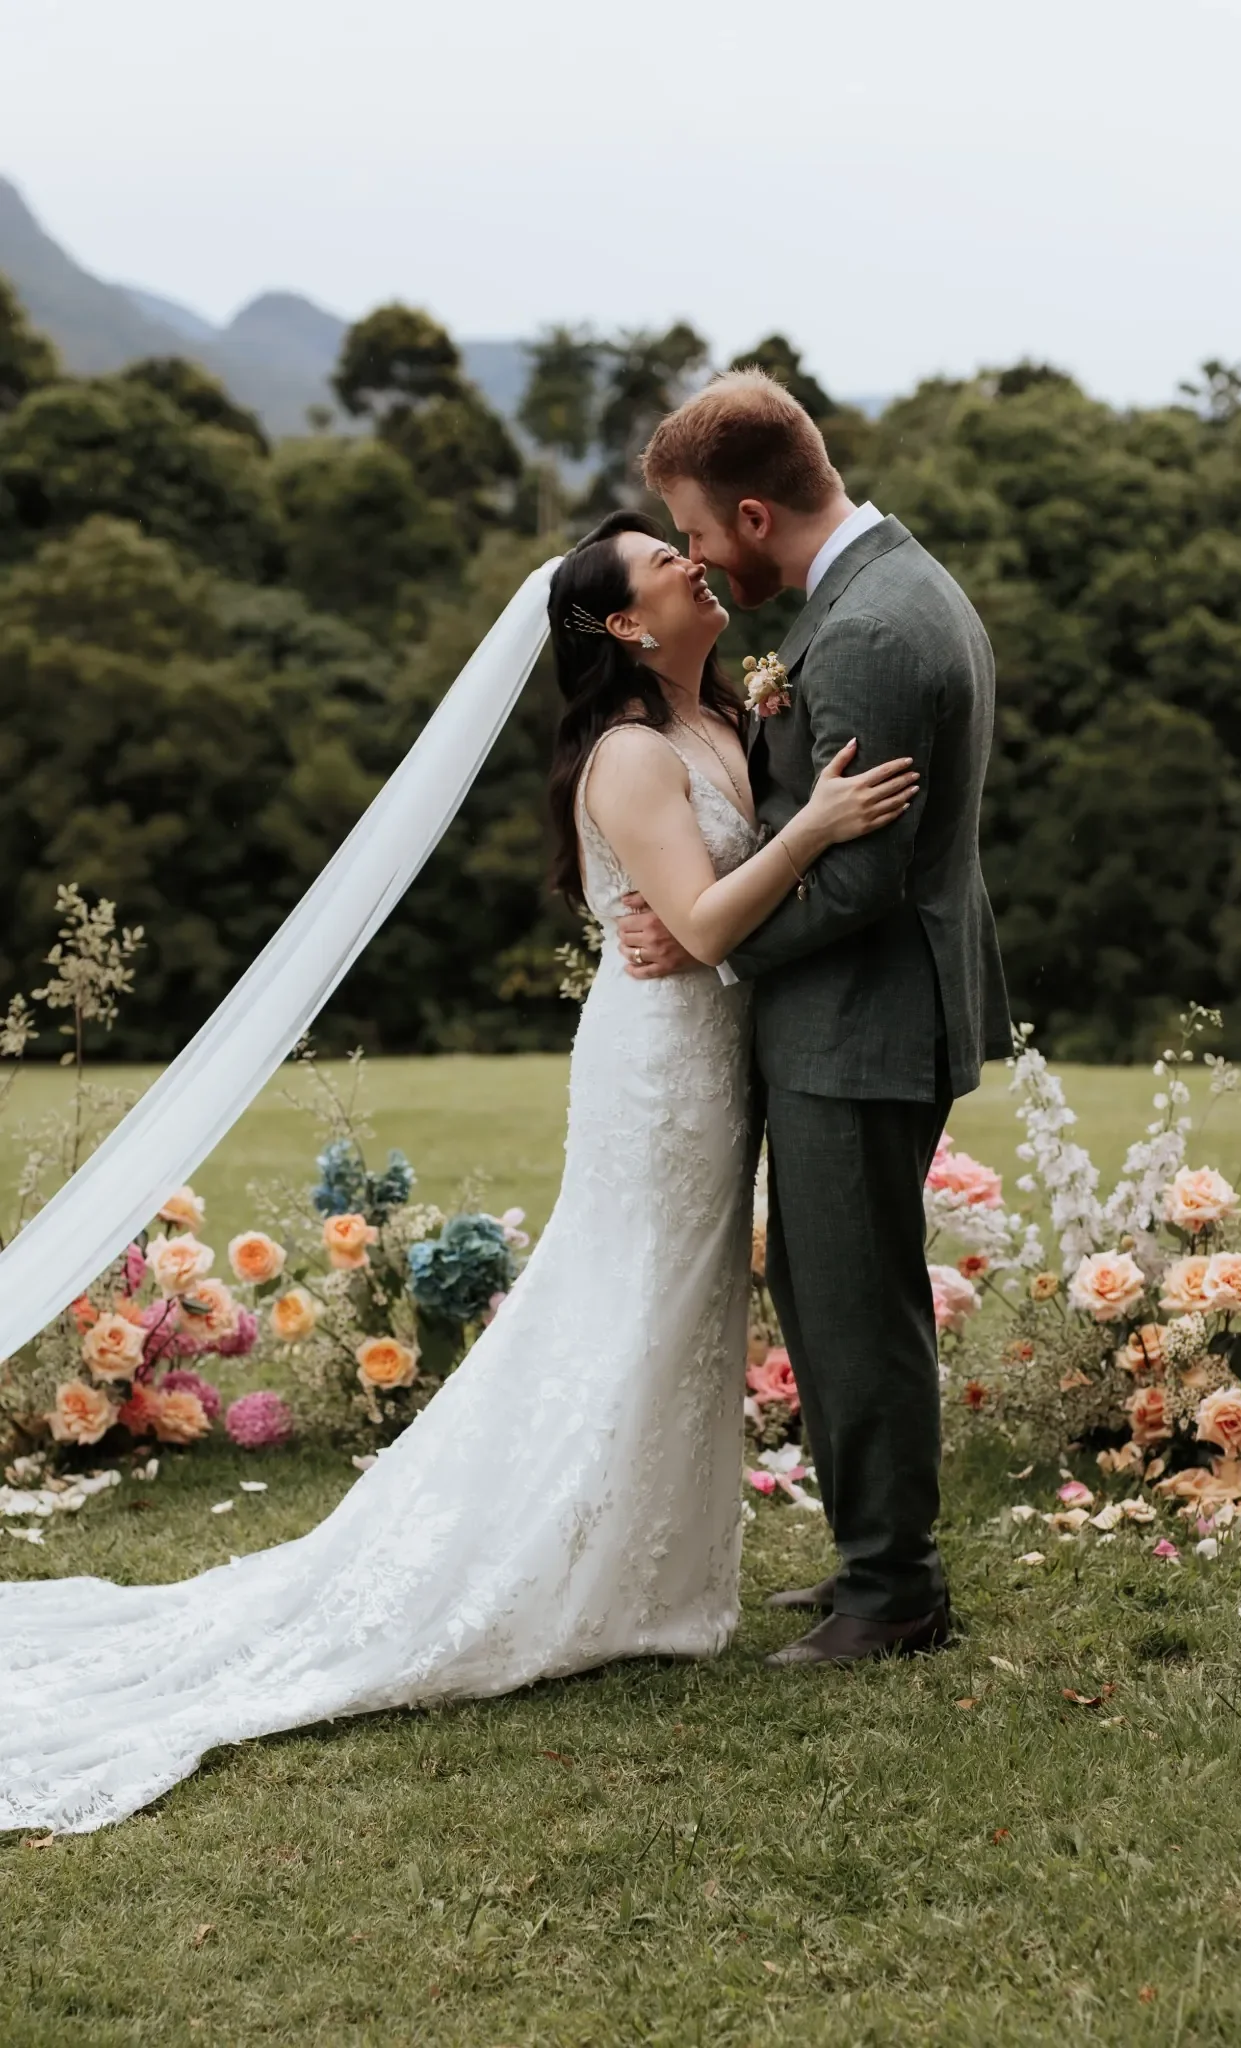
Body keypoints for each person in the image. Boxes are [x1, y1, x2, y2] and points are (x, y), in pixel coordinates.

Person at [0, 509, 913, 1836]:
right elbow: (708, 922)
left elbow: (712, 907)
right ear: (622, 623)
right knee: (626, 1305)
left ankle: (641, 1570)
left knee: (674, 1313)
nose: (693, 563)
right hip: (661, 1069)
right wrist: (818, 826)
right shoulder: (629, 752)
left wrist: (773, 835)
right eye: (664, 562)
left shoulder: (725, 713)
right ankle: (552, 1563)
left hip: (718, 1057)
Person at [623, 368, 1013, 1667]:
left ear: (752, 513)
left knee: (855, 1304)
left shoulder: (872, 633)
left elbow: (860, 877)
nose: (691, 557)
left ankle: (893, 1592)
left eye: (693, 529)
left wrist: (706, 938)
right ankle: (870, 1560)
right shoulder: (877, 593)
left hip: (863, 1020)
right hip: (859, 1017)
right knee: (830, 1287)